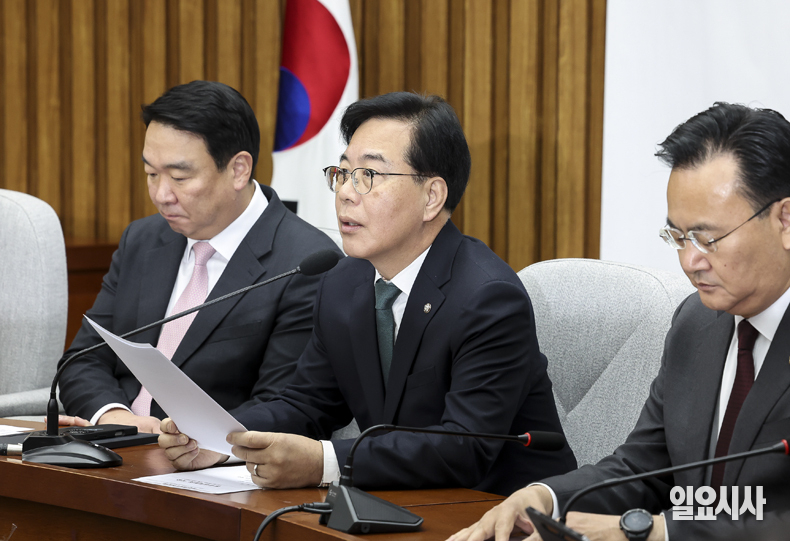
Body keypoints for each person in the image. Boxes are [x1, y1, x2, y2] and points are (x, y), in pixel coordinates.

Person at [159, 92, 577, 496]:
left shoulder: (488, 298)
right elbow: (308, 403)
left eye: (368, 176)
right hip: (400, 501)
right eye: (342, 173)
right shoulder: (344, 282)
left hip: (503, 510)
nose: (345, 192)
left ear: (432, 196)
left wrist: (324, 462)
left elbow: (464, 448)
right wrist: (219, 438)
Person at [450, 102, 790, 541]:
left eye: (708, 238)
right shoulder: (696, 323)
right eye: (678, 237)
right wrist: (544, 498)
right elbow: (643, 467)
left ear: (784, 219)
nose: (690, 261)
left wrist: (656, 533)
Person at [57, 80, 342, 434]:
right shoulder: (142, 240)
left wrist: (185, 439)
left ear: (238, 170)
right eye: (151, 174)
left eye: (179, 177)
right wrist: (116, 419)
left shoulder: (305, 264)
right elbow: (82, 360)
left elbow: (284, 406)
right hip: (114, 443)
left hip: (208, 458)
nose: (161, 195)